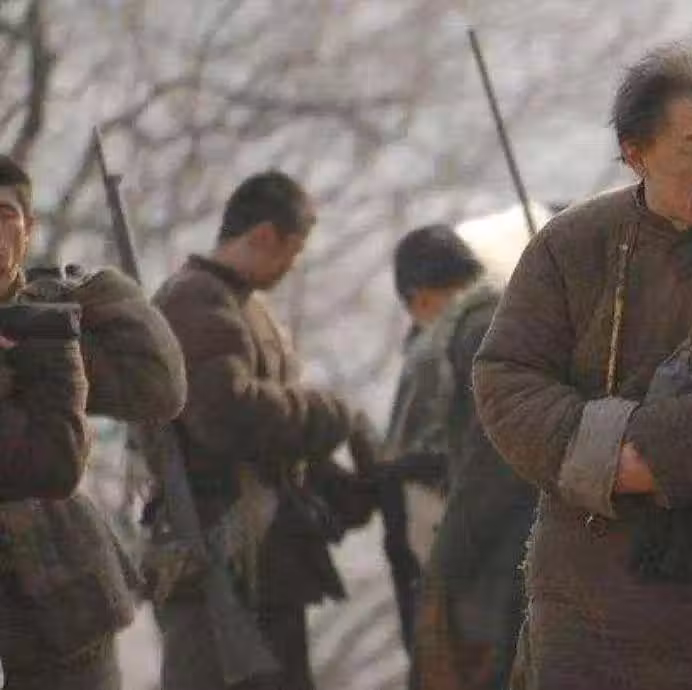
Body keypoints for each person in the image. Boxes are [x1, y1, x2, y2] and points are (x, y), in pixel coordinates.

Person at [471, 43, 692, 690]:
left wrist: (662, 451)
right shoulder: (572, 245)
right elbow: (507, 377)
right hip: (587, 587)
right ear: (637, 152)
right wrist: (605, 454)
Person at [152, 170, 375, 690]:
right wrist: (329, 414)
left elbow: (272, 442)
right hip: (219, 551)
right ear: (265, 236)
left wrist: (342, 484)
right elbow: (228, 414)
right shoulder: (195, 300)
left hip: (266, 556)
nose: (292, 264)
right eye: (292, 250)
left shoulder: (243, 306)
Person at [0, 153, 188, 690]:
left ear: (28, 230)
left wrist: (97, 293)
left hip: (57, 593)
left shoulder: (51, 316)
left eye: (4, 215)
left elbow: (158, 386)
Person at [390, 225, 537, 690]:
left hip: (505, 549)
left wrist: (447, 557)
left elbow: (490, 454)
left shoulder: (476, 330)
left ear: (421, 299)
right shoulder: (508, 314)